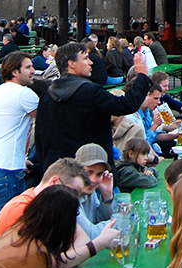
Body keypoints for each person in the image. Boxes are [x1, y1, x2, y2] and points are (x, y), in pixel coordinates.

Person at [34, 42, 152, 183]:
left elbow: (39, 139)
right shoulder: (91, 92)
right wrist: (142, 77)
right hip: (94, 173)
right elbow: (126, 105)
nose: (91, 62)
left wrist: (43, 172)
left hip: (57, 173)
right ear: (71, 63)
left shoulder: (46, 96)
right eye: (85, 58)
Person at [0, 52, 38, 228]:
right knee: (13, 232)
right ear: (14, 72)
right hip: (6, 171)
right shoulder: (23, 94)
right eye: (28, 67)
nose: (33, 71)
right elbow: (50, 119)